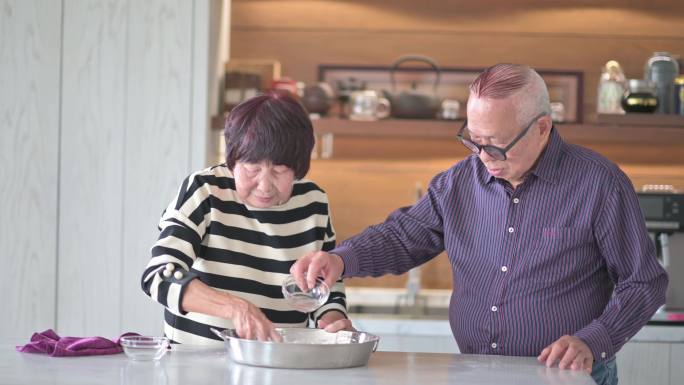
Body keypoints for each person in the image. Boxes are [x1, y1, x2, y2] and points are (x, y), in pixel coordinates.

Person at [291, 63, 667, 385]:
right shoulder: (458, 182)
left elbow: (644, 282)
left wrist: (594, 339)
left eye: (497, 144)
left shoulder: (599, 183)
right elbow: (403, 237)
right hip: (476, 371)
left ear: (542, 128)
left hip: (568, 375)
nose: (484, 156)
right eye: (473, 140)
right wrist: (341, 259)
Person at [141, 92, 352, 344]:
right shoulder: (205, 191)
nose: (264, 186)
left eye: (280, 171)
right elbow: (159, 275)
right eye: (252, 169)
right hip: (194, 362)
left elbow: (327, 284)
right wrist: (236, 308)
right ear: (232, 161)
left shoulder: (313, 203)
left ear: (298, 167)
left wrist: (332, 317)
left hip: (278, 363)